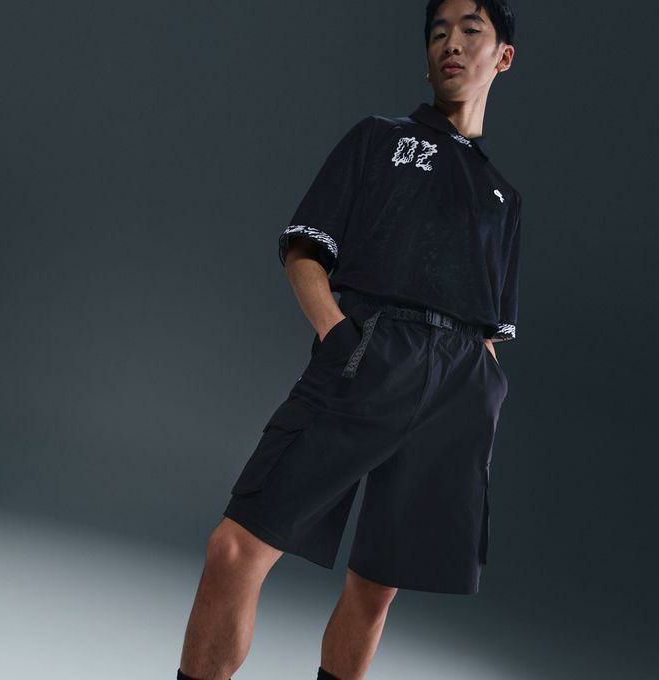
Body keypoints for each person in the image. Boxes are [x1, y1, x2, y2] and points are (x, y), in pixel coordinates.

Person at [177, 1, 520, 678]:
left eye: (469, 30)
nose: (450, 44)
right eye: (438, 33)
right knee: (235, 550)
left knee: (377, 584)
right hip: (371, 353)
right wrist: (340, 336)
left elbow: (492, 326)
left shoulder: (503, 197)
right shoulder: (380, 139)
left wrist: (483, 391)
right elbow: (305, 250)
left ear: (503, 56)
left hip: (458, 389)